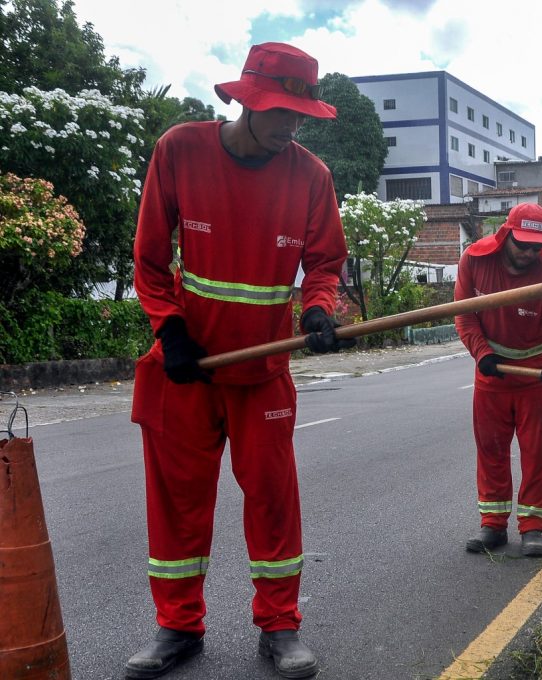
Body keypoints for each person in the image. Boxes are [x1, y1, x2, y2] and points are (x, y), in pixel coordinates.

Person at [126, 42, 354, 680]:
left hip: (262, 371)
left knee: (274, 499)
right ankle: (177, 628)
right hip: (189, 368)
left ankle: (279, 628)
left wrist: (316, 310)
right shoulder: (179, 150)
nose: (290, 126)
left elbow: (325, 263)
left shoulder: (311, 177)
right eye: (280, 111)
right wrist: (169, 331)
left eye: (300, 115)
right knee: (178, 503)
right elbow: (149, 257)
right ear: (246, 100)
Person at [454, 203, 542, 558]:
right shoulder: (474, 262)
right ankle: (493, 525)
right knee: (491, 448)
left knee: (538, 452)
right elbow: (463, 315)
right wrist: (482, 353)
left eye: (536, 246)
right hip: (493, 371)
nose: (529, 252)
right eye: (522, 244)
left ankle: (533, 528)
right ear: (506, 235)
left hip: (537, 375)